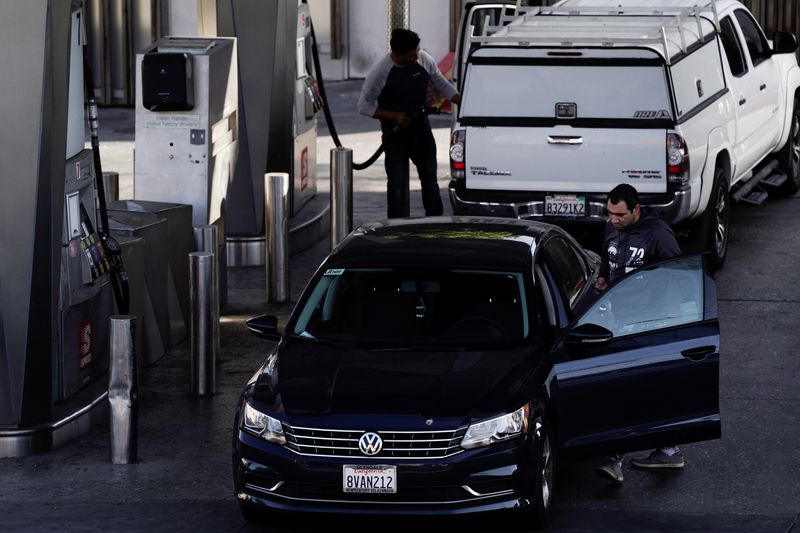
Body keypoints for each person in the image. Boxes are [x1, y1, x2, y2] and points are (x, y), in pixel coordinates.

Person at [593, 183, 684, 484]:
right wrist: (604, 280)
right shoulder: (611, 229)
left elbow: (677, 272)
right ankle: (668, 450)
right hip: (618, 323)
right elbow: (608, 263)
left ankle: (614, 457)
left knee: (626, 388)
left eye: (620, 215)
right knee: (642, 387)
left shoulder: (657, 233)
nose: (614, 220)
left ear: (636, 210)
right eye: (609, 213)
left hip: (649, 323)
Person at [357, 28, 461, 218]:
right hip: (395, 134)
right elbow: (363, 106)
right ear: (396, 54)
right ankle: (397, 229)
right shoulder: (380, 72)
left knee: (430, 181)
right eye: (411, 55)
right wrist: (394, 116)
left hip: (421, 130)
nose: (416, 57)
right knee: (397, 185)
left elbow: (439, 81)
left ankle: (435, 225)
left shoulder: (423, 58)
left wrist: (461, 100)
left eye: (417, 52)